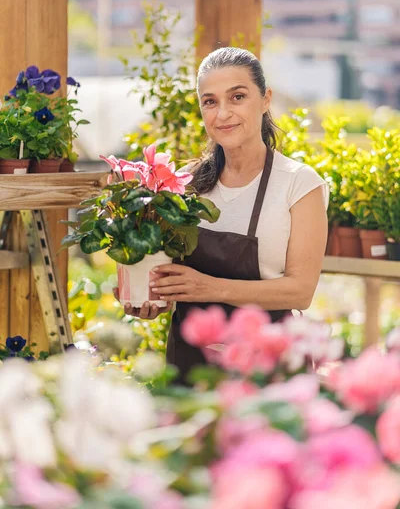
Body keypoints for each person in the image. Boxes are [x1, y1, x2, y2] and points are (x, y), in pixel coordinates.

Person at [121, 47, 329, 384]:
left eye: (238, 97)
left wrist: (209, 288)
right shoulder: (185, 183)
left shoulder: (298, 183)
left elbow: (300, 290)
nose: (223, 114)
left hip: (266, 370)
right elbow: (171, 275)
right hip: (190, 366)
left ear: (265, 100)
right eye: (210, 101)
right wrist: (148, 299)